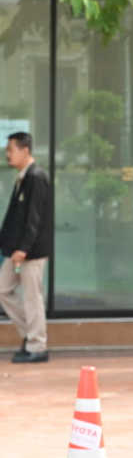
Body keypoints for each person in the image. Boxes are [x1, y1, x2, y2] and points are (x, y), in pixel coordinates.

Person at [0, 131, 52, 364]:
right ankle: (30, 336)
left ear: (25, 150)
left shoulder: (36, 177)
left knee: (32, 298)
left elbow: (35, 217)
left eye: (11, 150)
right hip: (16, 251)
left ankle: (37, 346)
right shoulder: (24, 177)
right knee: (3, 290)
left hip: (30, 252)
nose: (7, 154)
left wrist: (24, 249)